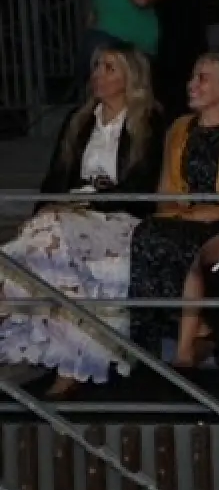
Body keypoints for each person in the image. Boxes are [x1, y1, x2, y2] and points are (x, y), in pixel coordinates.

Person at [0, 44, 165, 397]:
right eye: (96, 67)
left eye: (109, 68)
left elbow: (142, 185)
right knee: (49, 240)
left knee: (47, 234)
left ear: (130, 77)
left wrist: (81, 203)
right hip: (68, 216)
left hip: (118, 216)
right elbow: (56, 177)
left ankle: (7, 298)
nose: (98, 75)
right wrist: (46, 209)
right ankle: (69, 365)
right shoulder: (79, 119)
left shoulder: (149, 121)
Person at [129, 54, 219, 369]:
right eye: (192, 77)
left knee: (188, 245)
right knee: (146, 233)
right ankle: (172, 337)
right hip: (184, 219)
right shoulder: (178, 128)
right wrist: (181, 213)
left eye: (202, 78)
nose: (191, 85)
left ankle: (185, 351)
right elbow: (165, 191)